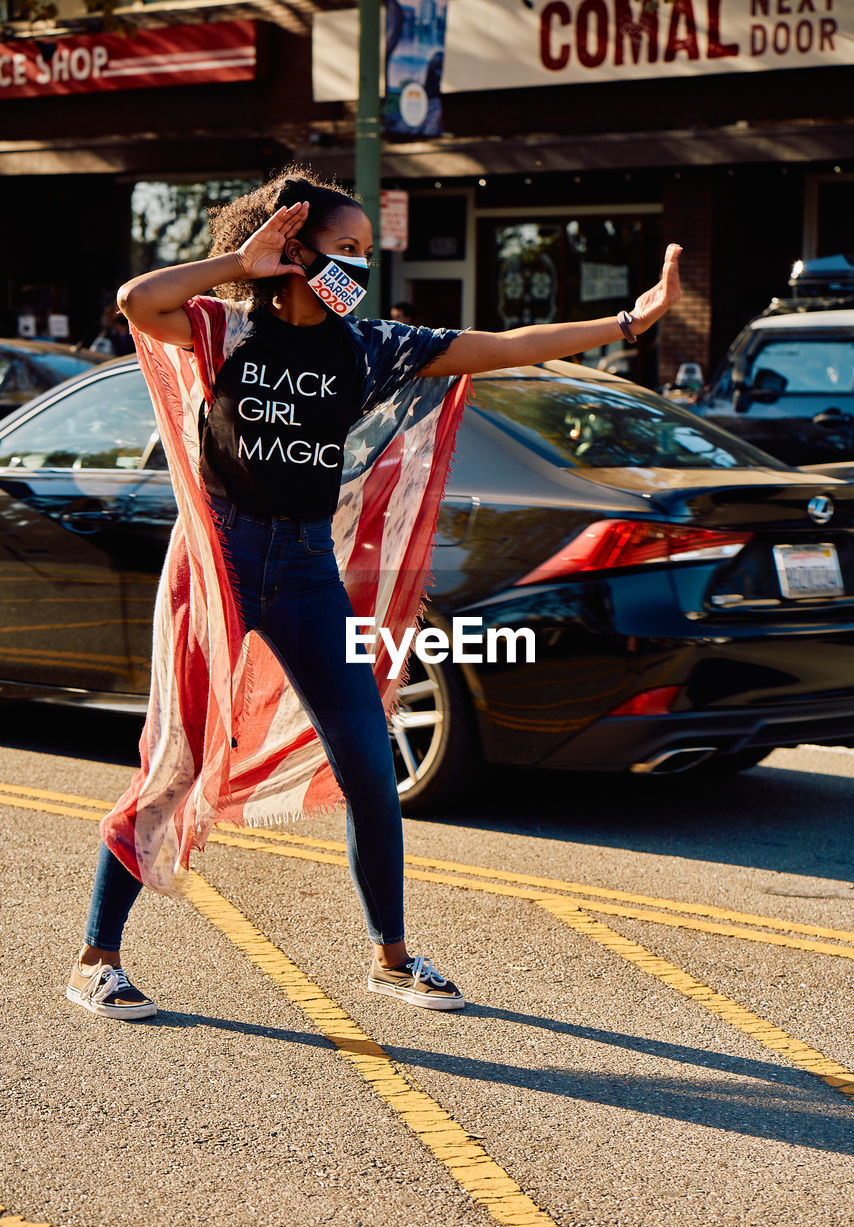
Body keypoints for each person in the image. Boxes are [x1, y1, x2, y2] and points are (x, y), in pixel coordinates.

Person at [65, 168, 682, 1021]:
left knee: (366, 759)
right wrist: (238, 263)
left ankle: (391, 958)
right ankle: (97, 956)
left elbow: (502, 346)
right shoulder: (223, 328)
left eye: (365, 252)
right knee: (178, 761)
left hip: (307, 571)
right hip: (222, 560)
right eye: (345, 250)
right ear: (293, 248)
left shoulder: (370, 347)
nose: (359, 268)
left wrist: (627, 320)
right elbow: (138, 300)